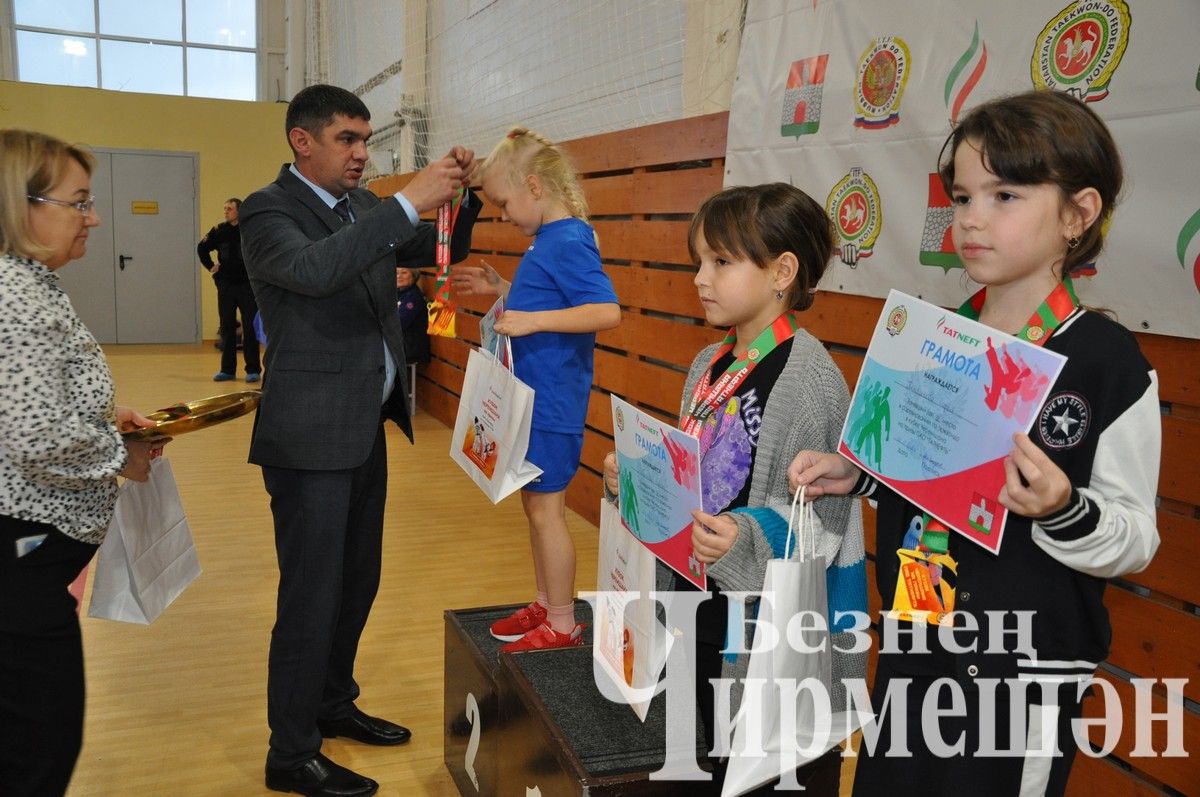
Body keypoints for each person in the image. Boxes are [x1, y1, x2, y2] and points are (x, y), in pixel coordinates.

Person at [788, 90, 1161, 797]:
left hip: (1019, 678)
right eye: (962, 197)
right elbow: (928, 475)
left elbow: (1134, 537)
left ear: (1078, 215)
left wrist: (1061, 506)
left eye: (1006, 194)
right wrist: (860, 474)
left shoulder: (1109, 364)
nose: (972, 219)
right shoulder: (936, 333)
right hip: (915, 639)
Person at [239, 84, 481, 797]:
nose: (360, 152)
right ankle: (290, 751)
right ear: (302, 141)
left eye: (365, 140)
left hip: (361, 426)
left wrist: (457, 196)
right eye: (347, 138)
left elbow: (436, 245)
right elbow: (318, 270)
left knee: (357, 580)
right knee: (311, 594)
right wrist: (409, 198)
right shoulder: (268, 210)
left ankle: (331, 701)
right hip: (308, 433)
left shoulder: (367, 207)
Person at [600, 183, 867, 795]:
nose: (701, 277)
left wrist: (748, 533)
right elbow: (695, 474)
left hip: (763, 626)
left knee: (756, 770)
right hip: (703, 604)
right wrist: (636, 479)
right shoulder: (708, 363)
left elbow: (827, 521)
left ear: (782, 272)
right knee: (703, 754)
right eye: (699, 260)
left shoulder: (810, 380)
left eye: (720, 262)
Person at [0, 129, 166, 795]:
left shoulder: (31, 285)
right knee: (37, 748)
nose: (93, 216)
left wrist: (102, 418)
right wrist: (116, 451)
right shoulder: (14, 296)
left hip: (34, 558)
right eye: (78, 202)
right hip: (20, 560)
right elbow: (34, 434)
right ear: (23, 205)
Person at [451, 126, 620, 653]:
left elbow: (606, 311)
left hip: (551, 405)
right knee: (535, 506)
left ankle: (564, 622)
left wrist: (531, 322)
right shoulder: (548, 240)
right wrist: (502, 290)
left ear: (534, 186)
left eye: (504, 204)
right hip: (532, 401)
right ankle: (548, 603)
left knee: (548, 511)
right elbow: (548, 299)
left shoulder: (568, 237)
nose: (503, 215)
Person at [197, 197, 261, 382]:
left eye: (230, 209)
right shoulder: (219, 231)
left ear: (239, 211)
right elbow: (202, 248)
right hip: (226, 285)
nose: (226, 212)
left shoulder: (250, 230)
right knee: (227, 326)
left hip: (247, 285)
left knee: (249, 327)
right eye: (225, 208)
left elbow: (262, 251)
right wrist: (210, 266)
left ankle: (253, 369)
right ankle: (227, 369)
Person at [395, 267, 430, 365]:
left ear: (413, 276)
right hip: (400, 343)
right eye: (396, 273)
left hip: (410, 348)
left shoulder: (413, 297)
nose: (399, 276)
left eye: (404, 273)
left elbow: (400, 323)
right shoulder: (398, 293)